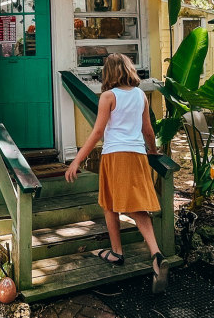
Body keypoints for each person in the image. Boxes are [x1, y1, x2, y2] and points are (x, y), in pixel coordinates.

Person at [65, 53, 170, 293]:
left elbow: (97, 132)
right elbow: (148, 130)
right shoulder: (141, 95)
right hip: (138, 155)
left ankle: (117, 252)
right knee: (134, 206)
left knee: (111, 203)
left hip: (115, 156)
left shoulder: (108, 97)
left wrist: (76, 161)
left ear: (108, 73)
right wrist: (152, 151)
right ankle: (155, 253)